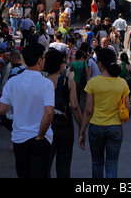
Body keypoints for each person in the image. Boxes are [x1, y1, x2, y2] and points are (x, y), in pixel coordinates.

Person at [0, 43, 55, 178]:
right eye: (43, 57)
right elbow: (48, 112)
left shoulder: (13, 82)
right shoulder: (46, 83)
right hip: (41, 138)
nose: (45, 60)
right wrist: (40, 135)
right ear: (39, 60)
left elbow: (0, 110)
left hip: (19, 138)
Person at [78, 48, 130, 178]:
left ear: (100, 64)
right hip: (115, 127)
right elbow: (127, 107)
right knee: (112, 163)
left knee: (97, 163)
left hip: (96, 127)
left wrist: (82, 131)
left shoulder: (93, 83)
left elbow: (89, 110)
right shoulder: (122, 83)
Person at [44, 48, 82, 178]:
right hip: (65, 127)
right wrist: (82, 128)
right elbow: (75, 107)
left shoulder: (42, 82)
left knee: (45, 165)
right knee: (64, 164)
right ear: (61, 65)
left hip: (46, 126)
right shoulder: (68, 81)